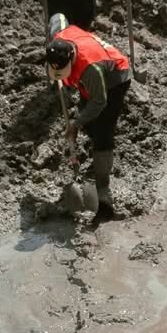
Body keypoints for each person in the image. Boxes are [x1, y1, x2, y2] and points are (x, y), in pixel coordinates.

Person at [46, 22, 133, 221]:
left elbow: (100, 101)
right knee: (89, 120)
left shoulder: (90, 68)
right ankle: (89, 155)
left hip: (116, 78)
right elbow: (57, 18)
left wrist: (75, 124)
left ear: (72, 58)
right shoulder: (58, 42)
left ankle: (103, 188)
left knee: (102, 130)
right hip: (93, 79)